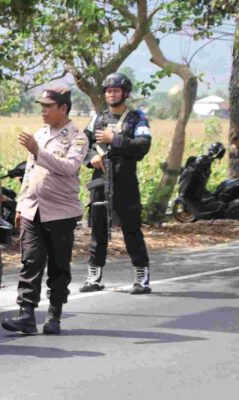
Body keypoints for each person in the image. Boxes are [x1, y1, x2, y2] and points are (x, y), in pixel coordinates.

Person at [1, 83, 88, 335]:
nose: (44, 111)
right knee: (30, 262)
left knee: (59, 266)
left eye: (49, 107)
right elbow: (29, 173)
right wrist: (20, 206)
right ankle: (26, 316)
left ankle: (54, 315)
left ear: (63, 108)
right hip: (32, 209)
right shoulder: (39, 134)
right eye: (42, 106)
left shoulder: (78, 138)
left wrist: (38, 152)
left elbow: (68, 168)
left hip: (60, 212)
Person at [80, 72, 152, 295]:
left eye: (116, 90)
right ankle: (94, 275)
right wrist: (90, 159)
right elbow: (82, 143)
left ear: (125, 93)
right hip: (100, 181)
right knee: (98, 229)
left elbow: (142, 146)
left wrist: (115, 140)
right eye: (108, 91)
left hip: (125, 181)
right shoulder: (98, 119)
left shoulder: (136, 118)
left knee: (131, 229)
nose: (111, 94)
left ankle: (142, 276)